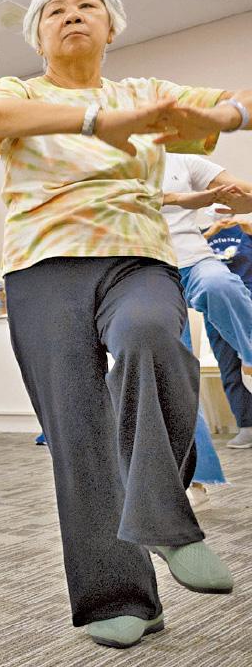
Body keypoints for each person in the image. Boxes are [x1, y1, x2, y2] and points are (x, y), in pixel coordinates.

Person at [0, 0, 250, 648]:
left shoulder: (146, 94)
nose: (71, 15)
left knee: (154, 339)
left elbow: (238, 100)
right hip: (41, 271)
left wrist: (226, 116)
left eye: (87, 5)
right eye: (56, 11)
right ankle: (120, 599)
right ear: (39, 36)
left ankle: (164, 519)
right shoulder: (21, 92)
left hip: (136, 257)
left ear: (112, 26)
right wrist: (97, 120)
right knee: (79, 433)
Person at [161, 152, 252, 507]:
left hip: (195, 259)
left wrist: (239, 198)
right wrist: (189, 199)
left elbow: (238, 190)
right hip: (149, 270)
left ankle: (249, 359)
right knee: (177, 377)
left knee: (220, 285)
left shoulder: (186, 163)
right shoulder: (113, 163)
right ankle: (195, 476)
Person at [204, 215, 252, 449]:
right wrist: (209, 232)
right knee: (229, 368)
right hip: (215, 309)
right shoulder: (200, 236)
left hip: (248, 302)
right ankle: (247, 426)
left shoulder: (246, 231)